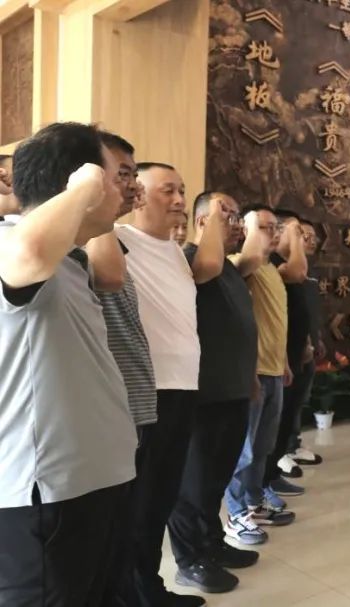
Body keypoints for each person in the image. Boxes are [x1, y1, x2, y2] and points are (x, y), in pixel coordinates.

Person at [0, 122, 138, 605]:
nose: (125, 189)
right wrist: (82, 189)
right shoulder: (13, 243)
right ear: (83, 179)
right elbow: (27, 251)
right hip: (46, 494)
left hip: (94, 482)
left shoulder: (70, 261)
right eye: (115, 176)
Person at [117, 162, 203, 607]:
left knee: (162, 496)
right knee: (140, 501)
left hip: (183, 389)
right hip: (146, 393)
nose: (179, 200)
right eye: (167, 190)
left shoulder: (175, 251)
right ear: (137, 193)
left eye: (181, 190)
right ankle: (134, 594)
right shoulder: (118, 240)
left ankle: (150, 588)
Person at [168, 192, 262, 594]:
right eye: (228, 216)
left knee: (215, 480)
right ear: (202, 221)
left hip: (233, 391)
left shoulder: (228, 268)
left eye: (238, 217)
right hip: (203, 397)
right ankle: (190, 560)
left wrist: (249, 377)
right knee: (193, 485)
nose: (236, 224)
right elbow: (204, 266)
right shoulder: (192, 260)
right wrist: (213, 223)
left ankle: (212, 543)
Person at [85, 132, 160, 607]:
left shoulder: (106, 238)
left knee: (131, 523)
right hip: (112, 413)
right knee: (107, 537)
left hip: (136, 404)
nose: (133, 187)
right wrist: (101, 208)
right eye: (123, 174)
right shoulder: (92, 242)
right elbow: (109, 276)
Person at [224, 205, 296, 545]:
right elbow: (246, 261)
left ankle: (254, 502)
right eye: (264, 227)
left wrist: (285, 362)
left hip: (273, 370)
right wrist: (254, 233)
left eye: (275, 227)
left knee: (264, 446)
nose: (273, 233)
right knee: (245, 450)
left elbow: (276, 322)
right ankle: (236, 512)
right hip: (252, 372)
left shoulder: (272, 271)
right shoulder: (241, 264)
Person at [265, 209, 312, 494]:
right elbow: (298, 272)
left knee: (286, 419)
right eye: (297, 232)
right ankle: (264, 481)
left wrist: (306, 342)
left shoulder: (286, 262)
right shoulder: (270, 262)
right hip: (276, 359)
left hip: (292, 354)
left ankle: (271, 475)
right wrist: (294, 238)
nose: (302, 239)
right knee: (274, 425)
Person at [284, 218, 325, 467]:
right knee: (286, 401)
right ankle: (281, 452)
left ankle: (293, 443)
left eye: (312, 237)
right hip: (289, 350)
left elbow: (309, 311)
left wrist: (315, 337)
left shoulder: (311, 271)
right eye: (303, 235)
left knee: (298, 400)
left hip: (307, 346)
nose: (309, 241)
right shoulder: (286, 270)